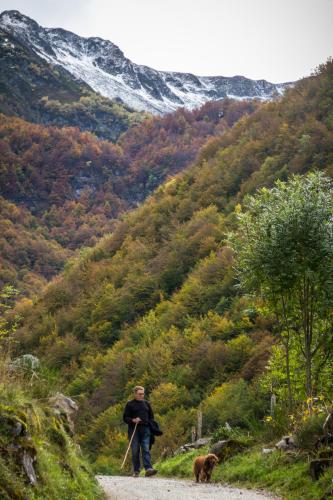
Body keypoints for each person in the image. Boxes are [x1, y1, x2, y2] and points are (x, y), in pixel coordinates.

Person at [123, 385, 158, 477]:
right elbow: (125, 418)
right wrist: (133, 420)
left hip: (145, 429)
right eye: (139, 394)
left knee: (146, 449)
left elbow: (151, 417)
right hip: (134, 429)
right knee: (135, 451)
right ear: (135, 394)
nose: (142, 396)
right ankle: (136, 471)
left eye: (143, 394)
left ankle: (148, 469)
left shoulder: (147, 404)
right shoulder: (130, 404)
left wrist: (150, 425)